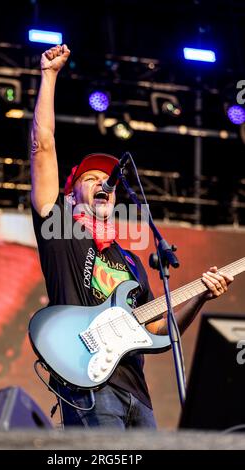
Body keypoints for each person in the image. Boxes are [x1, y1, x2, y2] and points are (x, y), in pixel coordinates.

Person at [30, 44, 234, 429]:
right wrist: (49, 77)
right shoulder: (61, 232)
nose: (103, 184)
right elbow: (43, 146)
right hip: (90, 387)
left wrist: (202, 295)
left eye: (108, 181)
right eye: (90, 179)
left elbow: (158, 330)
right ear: (71, 193)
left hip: (138, 396)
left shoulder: (132, 263)